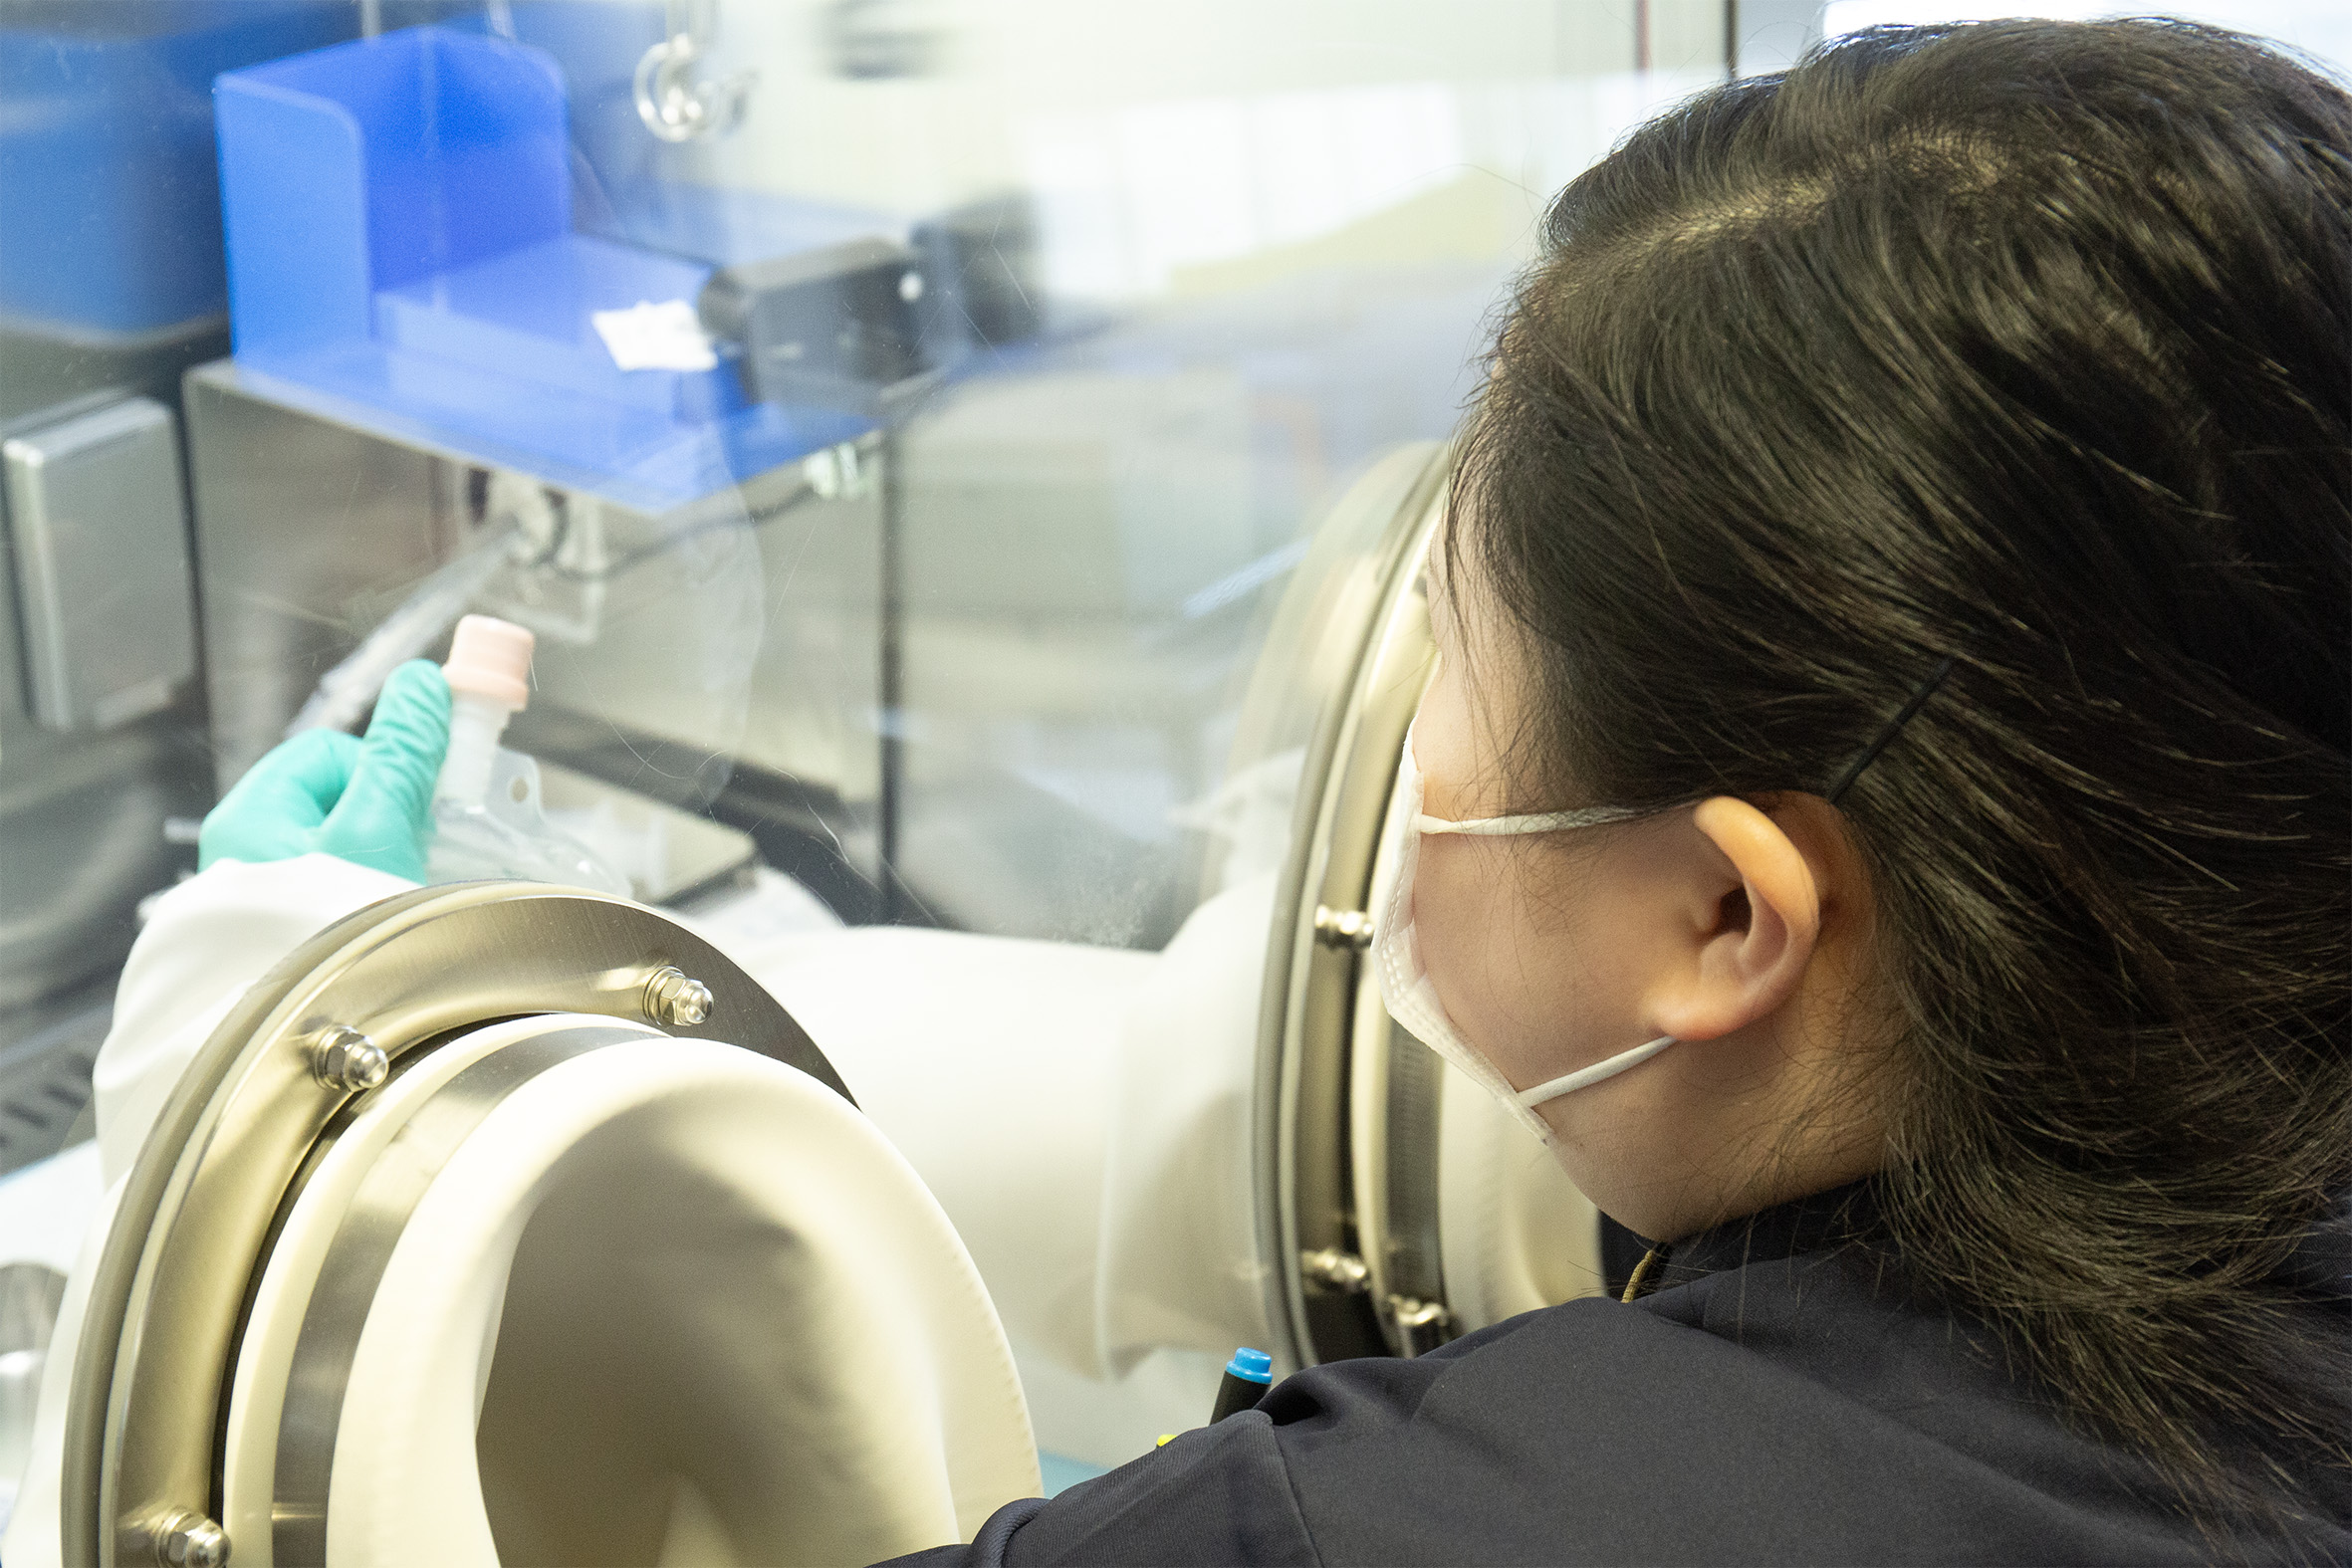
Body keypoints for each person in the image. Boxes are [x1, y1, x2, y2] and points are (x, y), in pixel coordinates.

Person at [156, 15, 2350, 1565]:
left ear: (1722, 919)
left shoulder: (1370, 1537)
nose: (1402, 767)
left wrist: (244, 1024)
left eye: (1455, 661)